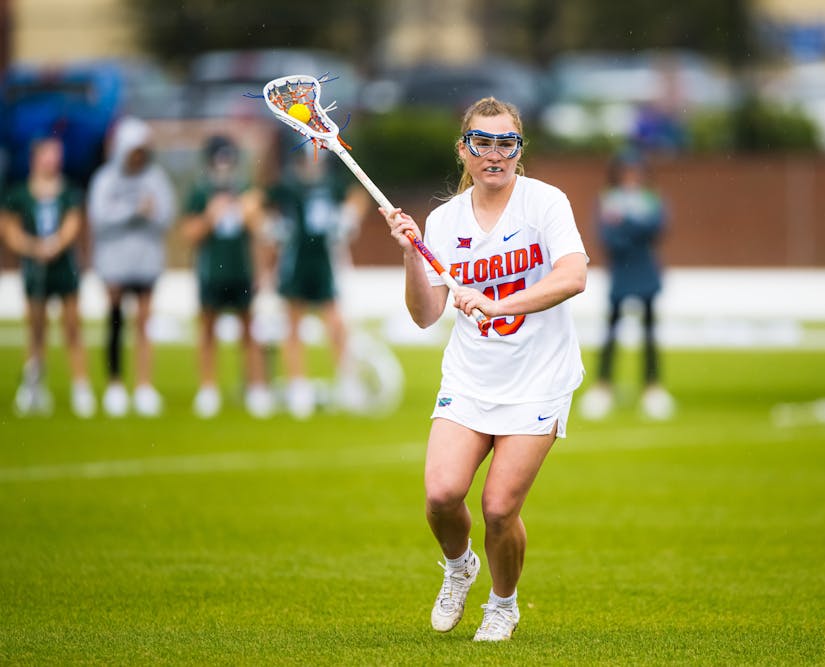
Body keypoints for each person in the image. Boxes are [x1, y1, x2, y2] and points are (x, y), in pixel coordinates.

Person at [378, 97, 588, 642]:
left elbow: (574, 277)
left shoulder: (545, 203)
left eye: (506, 143)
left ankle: (503, 603)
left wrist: (497, 306)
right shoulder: (444, 221)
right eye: (482, 142)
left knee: (498, 507)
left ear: (519, 149)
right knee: (442, 495)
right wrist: (409, 253)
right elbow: (426, 315)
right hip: (470, 379)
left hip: (539, 379)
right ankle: (459, 567)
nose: (494, 153)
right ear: (464, 149)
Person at [87, 116, 175, 417]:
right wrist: (132, 211)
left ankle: (144, 385)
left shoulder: (155, 177)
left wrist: (151, 213)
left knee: (143, 325)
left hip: (146, 261)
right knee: (115, 323)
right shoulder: (105, 179)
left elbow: (167, 215)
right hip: (114, 262)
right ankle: (114, 385)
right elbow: (99, 218)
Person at [1, 136, 95, 417]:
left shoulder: (68, 191)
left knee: (72, 326)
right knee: (36, 329)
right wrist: (32, 247)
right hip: (35, 268)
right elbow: (10, 230)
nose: (54, 160)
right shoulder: (20, 193)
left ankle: (81, 386)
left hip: (63, 267)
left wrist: (55, 243)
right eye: (49, 155)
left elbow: (73, 223)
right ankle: (33, 387)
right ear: (36, 158)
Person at [266, 148, 362, 419]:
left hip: (324, 260)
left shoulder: (331, 184)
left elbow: (357, 196)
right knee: (293, 324)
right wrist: (269, 227)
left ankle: (347, 381)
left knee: (335, 323)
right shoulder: (288, 184)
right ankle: (298, 385)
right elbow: (255, 203)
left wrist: (349, 217)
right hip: (296, 259)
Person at [180, 135, 272, 419]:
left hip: (241, 271)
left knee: (249, 331)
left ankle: (256, 388)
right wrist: (210, 217)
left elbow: (260, 233)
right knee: (208, 330)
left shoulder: (245, 191)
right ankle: (208, 389)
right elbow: (188, 235)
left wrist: (261, 270)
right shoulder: (200, 193)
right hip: (212, 271)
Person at [579, 150, 675, 421]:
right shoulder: (607, 200)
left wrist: (627, 224)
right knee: (611, 332)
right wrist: (636, 230)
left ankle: (652, 386)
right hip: (621, 271)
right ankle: (603, 385)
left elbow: (658, 228)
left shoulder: (651, 199)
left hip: (646, 270)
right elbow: (608, 237)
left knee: (649, 333)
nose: (631, 177)